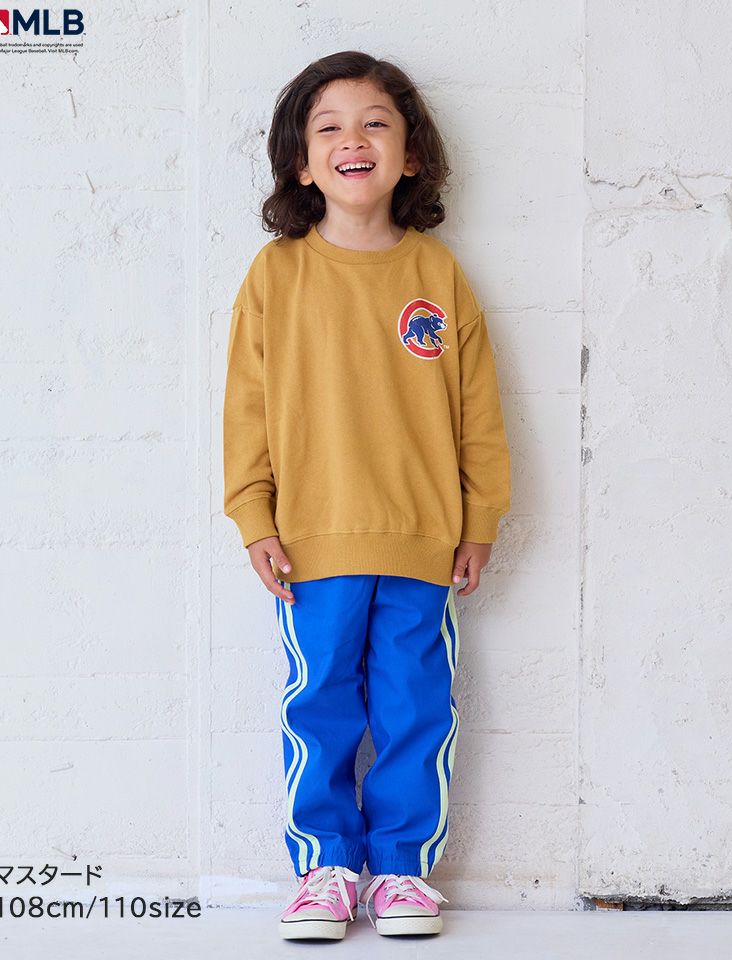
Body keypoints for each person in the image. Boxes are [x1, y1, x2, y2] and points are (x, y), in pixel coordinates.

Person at [222, 50, 511, 940]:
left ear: (410, 154)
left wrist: (480, 519)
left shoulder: (438, 275)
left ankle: (401, 870)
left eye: (376, 123)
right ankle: (325, 868)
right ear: (302, 164)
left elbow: (478, 411)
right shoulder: (276, 276)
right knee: (320, 706)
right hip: (312, 541)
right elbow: (246, 408)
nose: (355, 139)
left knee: (415, 706)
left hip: (424, 541)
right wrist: (253, 515)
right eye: (330, 127)